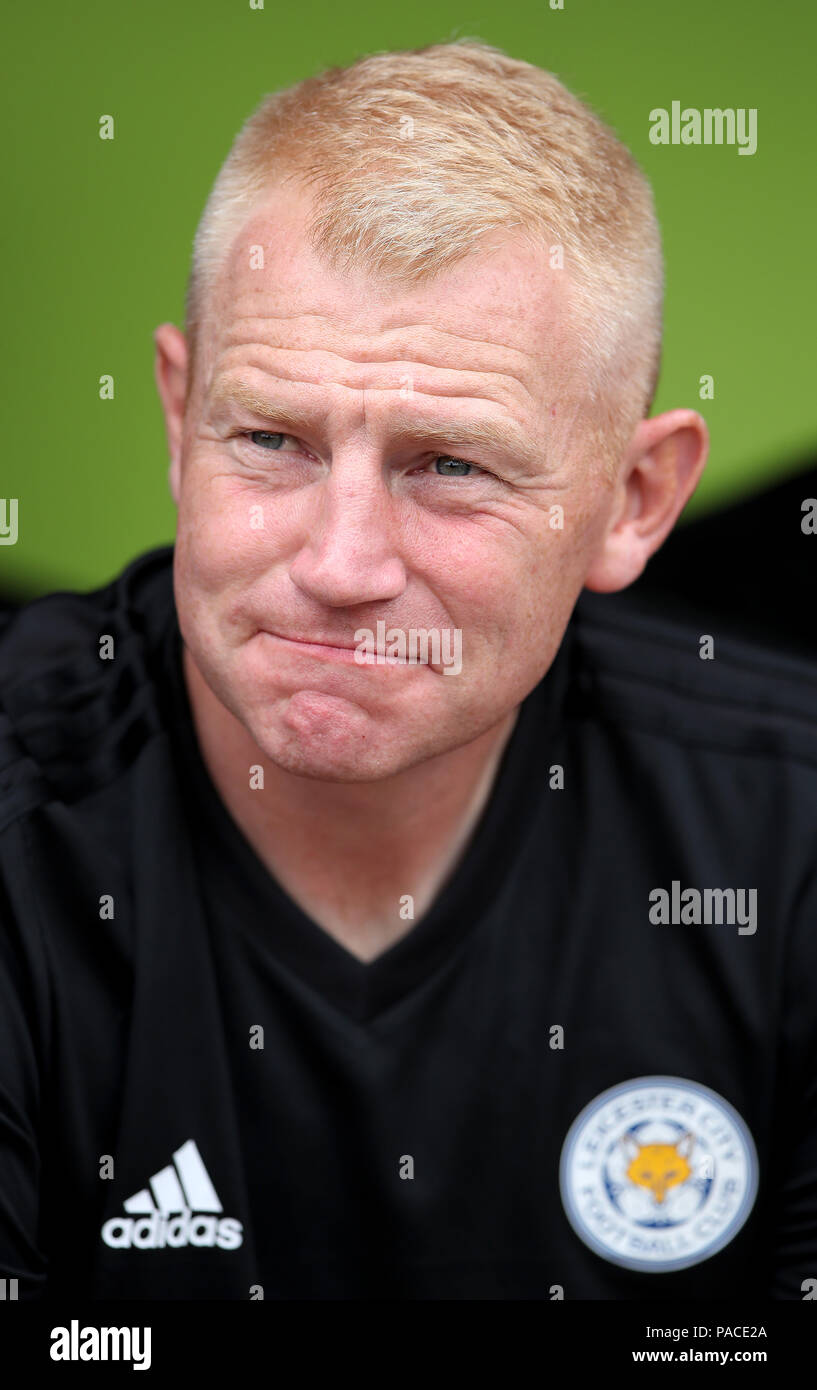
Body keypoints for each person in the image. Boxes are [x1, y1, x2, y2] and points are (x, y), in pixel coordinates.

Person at [1, 37, 815, 1302]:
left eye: (450, 465)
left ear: (632, 499)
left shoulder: (791, 835)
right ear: (179, 418)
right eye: (269, 438)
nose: (340, 562)